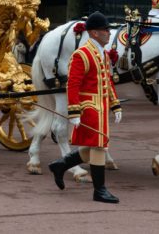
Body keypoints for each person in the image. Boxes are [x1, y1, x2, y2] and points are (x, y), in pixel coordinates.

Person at [48, 11, 123, 204]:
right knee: (99, 146)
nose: (109, 33)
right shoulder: (82, 54)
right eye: (105, 30)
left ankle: (61, 165)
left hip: (102, 106)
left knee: (95, 147)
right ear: (94, 33)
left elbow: (107, 81)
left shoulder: (103, 54)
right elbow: (73, 84)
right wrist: (74, 111)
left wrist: (115, 105)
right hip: (89, 107)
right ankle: (100, 190)